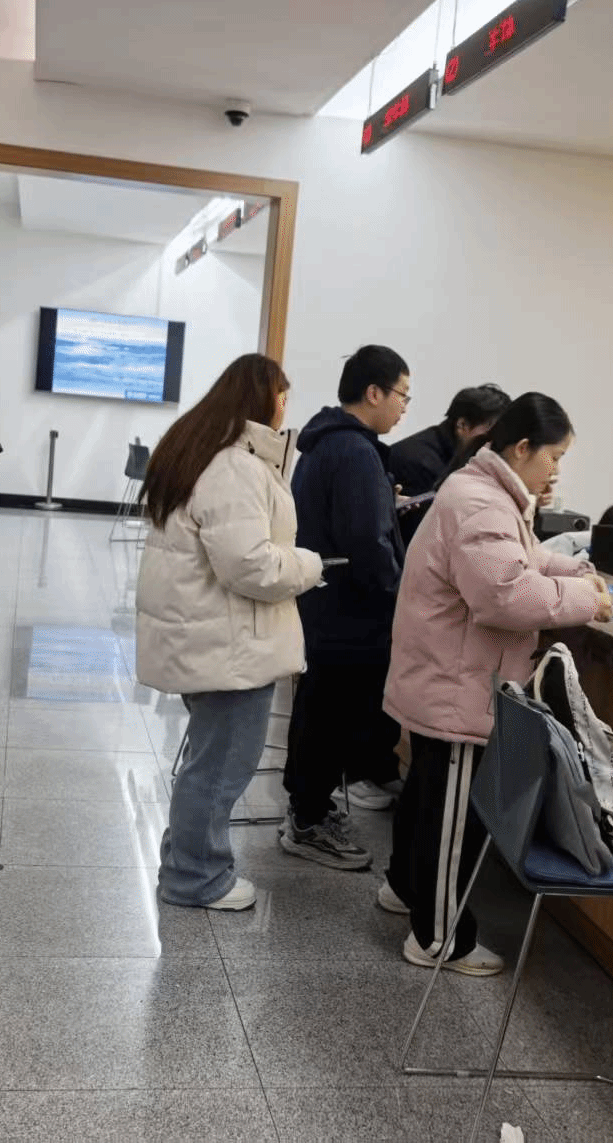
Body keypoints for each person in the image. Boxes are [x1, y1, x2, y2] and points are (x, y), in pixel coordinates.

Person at [383, 393, 612, 976]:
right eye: (554, 457)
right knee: (450, 819)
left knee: (428, 798)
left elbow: (524, 560)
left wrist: (581, 574)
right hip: (457, 683)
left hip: (445, 676)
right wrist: (587, 600)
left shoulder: (485, 493)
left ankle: (405, 891)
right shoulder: (481, 502)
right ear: (522, 448)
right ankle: (439, 939)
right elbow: (505, 595)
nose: (556, 470)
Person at [136, 355, 323, 910]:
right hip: (230, 643)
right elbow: (249, 566)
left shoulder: (200, 452)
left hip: (209, 635)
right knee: (219, 770)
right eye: (282, 396)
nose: (285, 407)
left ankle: (185, 861)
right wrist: (310, 564)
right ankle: (196, 877)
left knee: (207, 762)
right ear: (260, 399)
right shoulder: (234, 465)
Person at [280, 345, 411, 867]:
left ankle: (309, 811)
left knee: (321, 713)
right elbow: (366, 540)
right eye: (402, 395)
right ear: (373, 392)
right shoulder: (354, 451)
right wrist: (397, 594)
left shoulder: (326, 442)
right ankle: (309, 822)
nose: (404, 407)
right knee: (330, 719)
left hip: (326, 605)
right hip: (352, 613)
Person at [389, 383, 510, 541]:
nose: (496, 442)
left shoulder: (451, 454)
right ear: (462, 425)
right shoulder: (421, 463)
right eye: (491, 432)